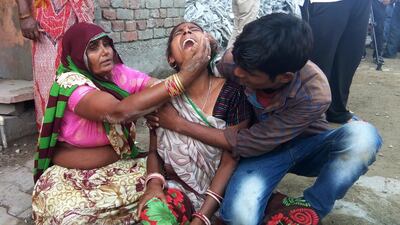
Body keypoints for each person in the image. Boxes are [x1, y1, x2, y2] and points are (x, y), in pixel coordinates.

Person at [148, 13, 382, 225]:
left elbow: (246, 143)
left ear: (284, 78)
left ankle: (311, 207)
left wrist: (179, 124)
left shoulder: (315, 93)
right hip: (264, 155)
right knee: (240, 217)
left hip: (304, 147)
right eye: (238, 66)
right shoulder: (235, 62)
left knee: (364, 136)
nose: (238, 74)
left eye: (249, 74)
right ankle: (274, 202)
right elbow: (204, 73)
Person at [31, 22, 210, 224]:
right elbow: (118, 112)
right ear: (76, 54)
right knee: (69, 216)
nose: (105, 52)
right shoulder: (70, 83)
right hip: (73, 174)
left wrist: (194, 71)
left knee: (164, 189)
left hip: (122, 164)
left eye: (106, 44)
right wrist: (185, 75)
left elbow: (154, 87)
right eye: (93, 48)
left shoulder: (118, 73)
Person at [138, 22, 253, 224]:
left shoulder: (233, 92)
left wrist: (202, 217)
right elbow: (154, 151)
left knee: (297, 215)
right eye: (178, 32)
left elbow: (231, 157)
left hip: (228, 190)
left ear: (209, 45)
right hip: (182, 188)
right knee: (153, 214)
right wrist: (154, 184)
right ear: (171, 58)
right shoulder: (164, 97)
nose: (187, 32)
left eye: (194, 29)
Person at [15, 0, 94, 128]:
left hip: (80, 8)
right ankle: (50, 136)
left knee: (82, 72)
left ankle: (80, 134)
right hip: (46, 8)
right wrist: (24, 15)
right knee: (47, 77)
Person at [307, 0, 371, 123]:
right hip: (328, 2)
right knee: (321, 55)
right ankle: (313, 110)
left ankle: (337, 110)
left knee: (350, 55)